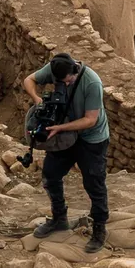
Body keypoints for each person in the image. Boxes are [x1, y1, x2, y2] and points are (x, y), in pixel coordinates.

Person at [26, 54, 110, 253]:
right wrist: (37, 99)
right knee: (51, 174)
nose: (65, 83)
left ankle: (99, 228)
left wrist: (61, 127)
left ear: (75, 70)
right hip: (65, 135)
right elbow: (29, 80)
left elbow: (90, 119)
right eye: (62, 81)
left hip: (91, 137)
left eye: (68, 80)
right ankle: (59, 218)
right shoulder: (56, 69)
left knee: (94, 181)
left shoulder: (92, 83)